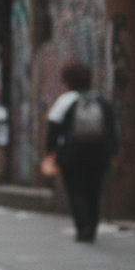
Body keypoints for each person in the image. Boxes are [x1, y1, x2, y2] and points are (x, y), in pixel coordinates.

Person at [45, 61, 118, 242]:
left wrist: (50, 150)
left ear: (67, 81)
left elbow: (53, 129)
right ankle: (92, 227)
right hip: (99, 154)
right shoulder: (101, 100)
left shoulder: (65, 101)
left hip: (72, 155)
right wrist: (113, 150)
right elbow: (111, 128)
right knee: (94, 191)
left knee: (76, 191)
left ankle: (83, 226)